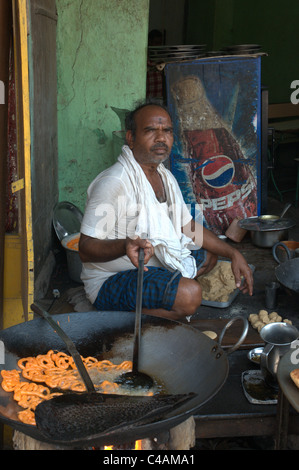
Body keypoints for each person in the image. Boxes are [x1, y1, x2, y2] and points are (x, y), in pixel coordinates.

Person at [79, 101, 253, 321]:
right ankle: (118, 318)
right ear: (131, 138)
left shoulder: (165, 177)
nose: (161, 138)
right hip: (113, 279)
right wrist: (125, 245)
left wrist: (233, 253)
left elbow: (187, 227)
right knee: (190, 295)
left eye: (167, 131)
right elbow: (85, 249)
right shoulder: (115, 182)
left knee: (210, 253)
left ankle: (167, 289)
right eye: (151, 130)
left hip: (157, 263)